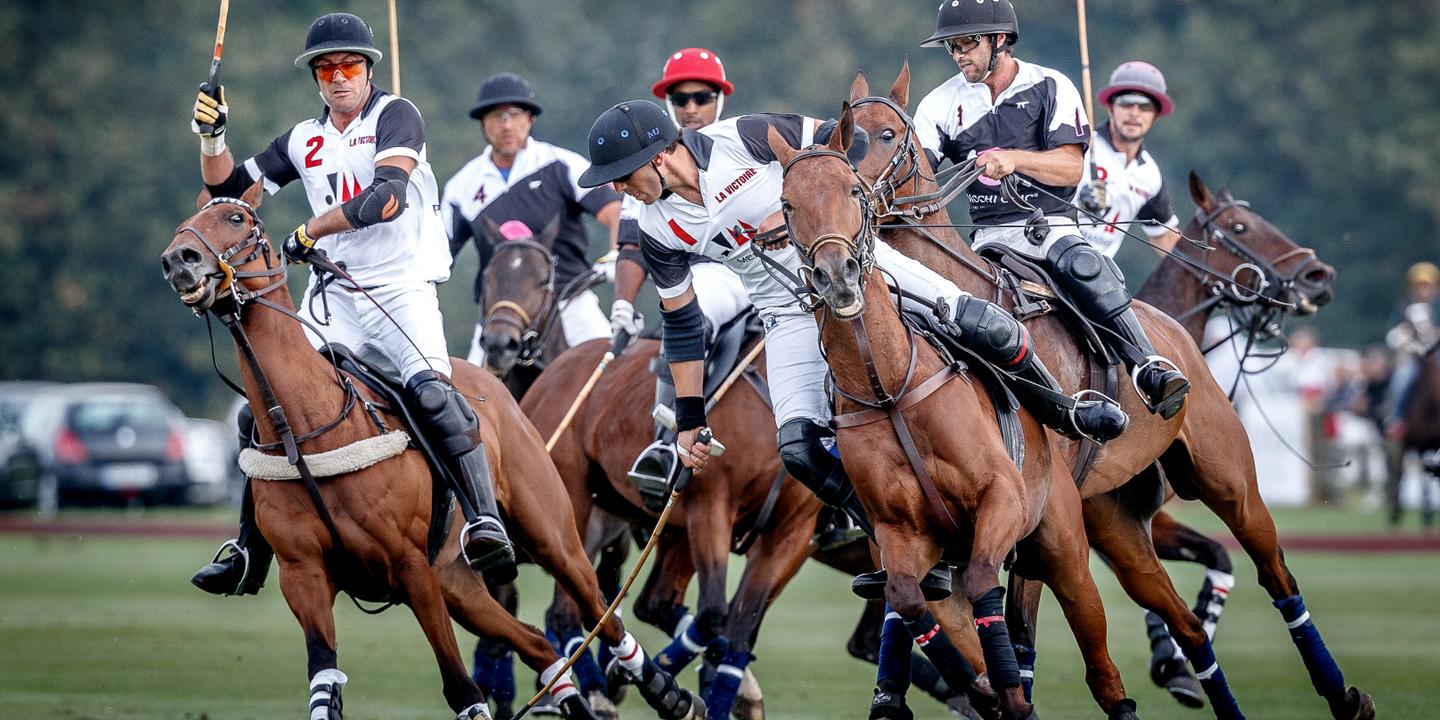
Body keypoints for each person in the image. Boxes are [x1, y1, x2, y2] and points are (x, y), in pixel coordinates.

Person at [188, 12, 512, 596]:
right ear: (315, 76)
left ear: (367, 69)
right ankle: (248, 548)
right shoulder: (302, 140)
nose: (339, 77)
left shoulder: (396, 115)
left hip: (399, 286)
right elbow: (225, 199)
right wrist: (212, 138)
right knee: (261, 407)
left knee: (436, 395)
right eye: (327, 68)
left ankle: (484, 521)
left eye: (349, 65)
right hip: (334, 293)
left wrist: (310, 231)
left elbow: (387, 197)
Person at [913, 0, 1189, 420]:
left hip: (1048, 226)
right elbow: (919, 179)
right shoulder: (939, 104)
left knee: (1082, 263)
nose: (958, 55)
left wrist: (1014, 159)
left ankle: (1147, 366)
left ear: (999, 39)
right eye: (951, 46)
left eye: (967, 43)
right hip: (987, 238)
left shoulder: (1049, 85)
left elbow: (1072, 166)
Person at [615, 48, 752, 490]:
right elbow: (634, 246)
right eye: (681, 99)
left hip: (764, 267)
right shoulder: (640, 166)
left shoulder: (739, 144)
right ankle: (663, 444)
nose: (691, 108)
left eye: (701, 96)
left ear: (720, 99)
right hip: (701, 275)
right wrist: (622, 303)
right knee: (691, 315)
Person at [443, 73, 623, 365]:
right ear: (483, 123)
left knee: (611, 373)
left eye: (515, 114)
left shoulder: (560, 165)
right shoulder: (461, 187)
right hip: (500, 316)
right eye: (497, 116)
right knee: (470, 399)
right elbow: (437, 254)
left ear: (530, 119)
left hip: (569, 302)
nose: (507, 125)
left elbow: (615, 211)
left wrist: (616, 254)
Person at [1075, 61, 1182, 258]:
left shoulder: (1149, 175)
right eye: (1126, 103)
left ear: (1155, 115)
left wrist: (1206, 275)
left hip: (1096, 275)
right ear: (1110, 107)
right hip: (1051, 252)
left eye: (1145, 106)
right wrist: (1078, 198)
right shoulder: (1080, 145)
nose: (1134, 113)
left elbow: (1164, 237)